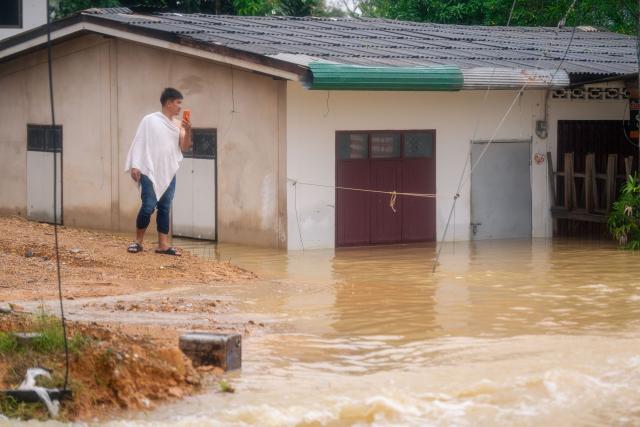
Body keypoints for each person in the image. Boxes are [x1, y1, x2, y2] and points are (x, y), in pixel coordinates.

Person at [124, 87, 192, 255]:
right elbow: (139, 142)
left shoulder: (178, 125)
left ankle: (163, 245)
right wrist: (135, 165)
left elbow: (184, 147)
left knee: (165, 207)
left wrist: (188, 129)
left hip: (168, 172)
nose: (180, 107)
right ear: (168, 103)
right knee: (148, 206)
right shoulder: (150, 120)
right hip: (149, 170)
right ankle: (138, 242)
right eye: (178, 103)